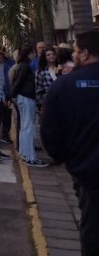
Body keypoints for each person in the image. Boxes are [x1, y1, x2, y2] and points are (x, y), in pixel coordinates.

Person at [41, 29, 99, 256]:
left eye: (75, 51)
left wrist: (63, 158)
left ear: (84, 53)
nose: (73, 55)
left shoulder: (64, 85)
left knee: (93, 228)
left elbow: (49, 131)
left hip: (87, 172)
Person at [10, 46, 47, 168]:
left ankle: (25, 154)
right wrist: (11, 96)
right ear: (29, 54)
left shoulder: (22, 65)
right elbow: (18, 82)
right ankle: (30, 157)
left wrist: (12, 96)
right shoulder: (25, 66)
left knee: (25, 128)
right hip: (26, 98)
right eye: (33, 53)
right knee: (29, 127)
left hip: (24, 97)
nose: (35, 55)